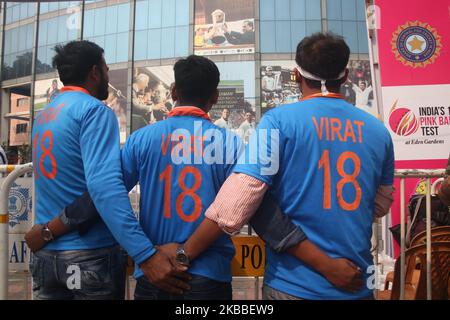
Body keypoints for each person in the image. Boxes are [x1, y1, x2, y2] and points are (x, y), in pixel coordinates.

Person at [26, 54, 366, 298]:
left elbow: (102, 195)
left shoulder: (144, 138)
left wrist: (53, 228)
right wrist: (322, 263)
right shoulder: (231, 144)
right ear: (215, 98)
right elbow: (256, 208)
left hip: (154, 271)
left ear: (173, 93)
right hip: (208, 276)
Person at [172, 33, 395, 300]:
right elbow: (380, 204)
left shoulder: (277, 121)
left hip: (293, 285)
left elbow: (237, 202)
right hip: (357, 281)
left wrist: (185, 253)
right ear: (345, 76)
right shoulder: (378, 132)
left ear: (296, 75)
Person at [28, 40, 189, 300]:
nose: (108, 75)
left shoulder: (43, 116)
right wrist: (145, 254)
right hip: (89, 256)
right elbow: (105, 189)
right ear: (94, 72)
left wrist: (49, 231)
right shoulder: (94, 111)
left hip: (46, 255)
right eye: (106, 69)